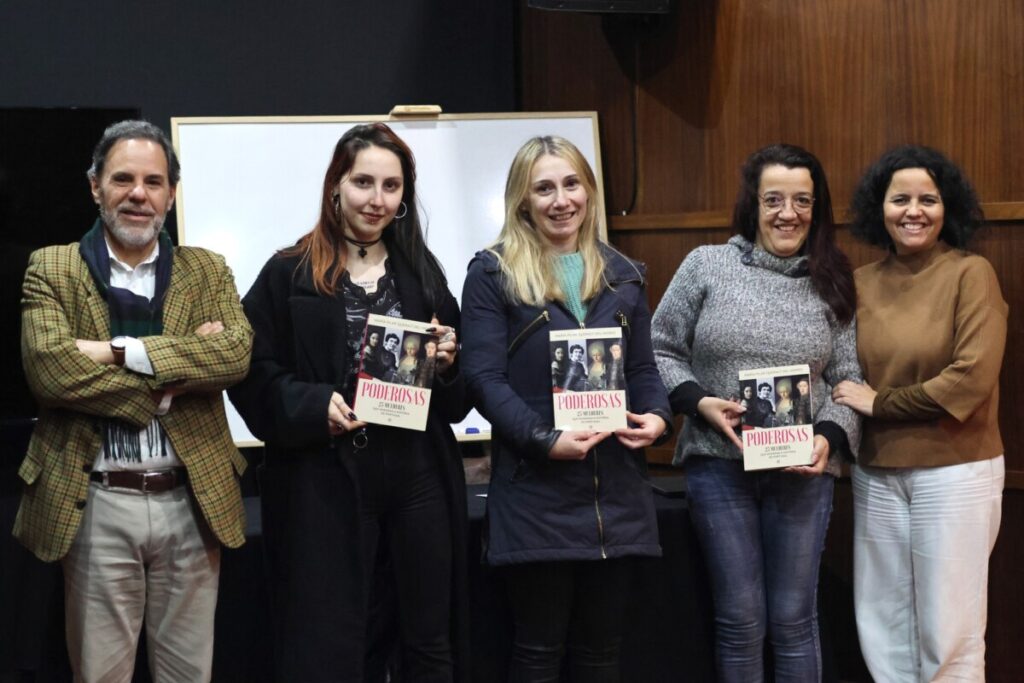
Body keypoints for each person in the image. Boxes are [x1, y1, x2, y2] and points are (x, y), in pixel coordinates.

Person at [227, 123, 470, 682]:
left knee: (429, 639)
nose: (377, 199)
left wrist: (450, 364)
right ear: (335, 184)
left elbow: (457, 400)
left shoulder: (423, 274)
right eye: (363, 182)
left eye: (391, 186)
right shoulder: (287, 272)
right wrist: (314, 406)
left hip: (418, 475)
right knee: (330, 642)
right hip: (325, 479)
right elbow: (250, 373)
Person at [14, 120, 253, 682]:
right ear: (95, 186)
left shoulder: (206, 268)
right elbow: (51, 373)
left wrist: (115, 353)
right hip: (96, 503)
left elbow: (235, 357)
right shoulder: (52, 267)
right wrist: (174, 376)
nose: (138, 194)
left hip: (190, 504)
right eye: (123, 179)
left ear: (172, 192)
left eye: (154, 181)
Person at [461, 135, 671, 682]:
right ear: (522, 200)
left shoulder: (624, 272)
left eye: (571, 184)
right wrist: (541, 438)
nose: (561, 200)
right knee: (538, 650)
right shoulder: (491, 273)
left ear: (589, 190)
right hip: (537, 492)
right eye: (544, 188)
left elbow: (645, 371)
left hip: (617, 494)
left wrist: (657, 417)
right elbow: (483, 379)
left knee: (603, 653)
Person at [651, 143, 861, 682]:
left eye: (802, 201)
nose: (787, 213)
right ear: (753, 203)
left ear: (817, 208)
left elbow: (848, 378)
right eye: (774, 199)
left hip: (801, 474)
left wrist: (829, 439)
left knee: (795, 622)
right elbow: (660, 348)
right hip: (719, 468)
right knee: (741, 622)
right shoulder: (707, 265)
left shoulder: (834, 277)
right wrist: (699, 404)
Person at [832, 145, 1006, 683]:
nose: (914, 210)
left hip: (955, 471)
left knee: (949, 629)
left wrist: (880, 403)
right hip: (876, 471)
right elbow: (837, 374)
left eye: (928, 199)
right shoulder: (858, 281)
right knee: (882, 622)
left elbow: (970, 379)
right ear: (877, 208)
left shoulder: (971, 274)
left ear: (946, 207)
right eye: (899, 198)